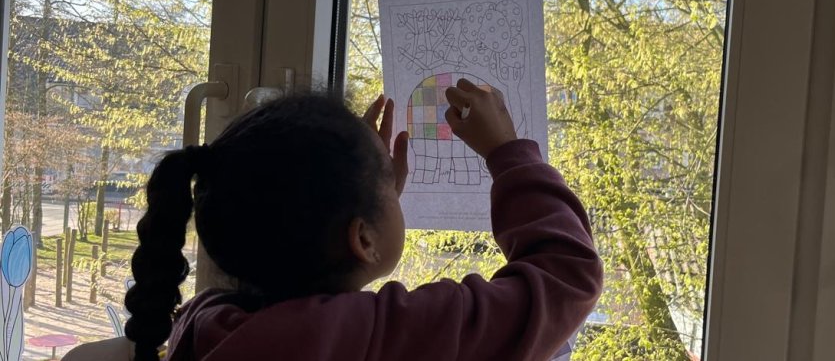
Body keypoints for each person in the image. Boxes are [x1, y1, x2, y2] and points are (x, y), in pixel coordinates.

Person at [120, 80, 603, 361]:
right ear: (362, 239)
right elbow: (567, 277)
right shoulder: (371, 335)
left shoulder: (206, 320)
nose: (394, 180)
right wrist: (508, 154)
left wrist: (368, 200)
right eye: (386, 182)